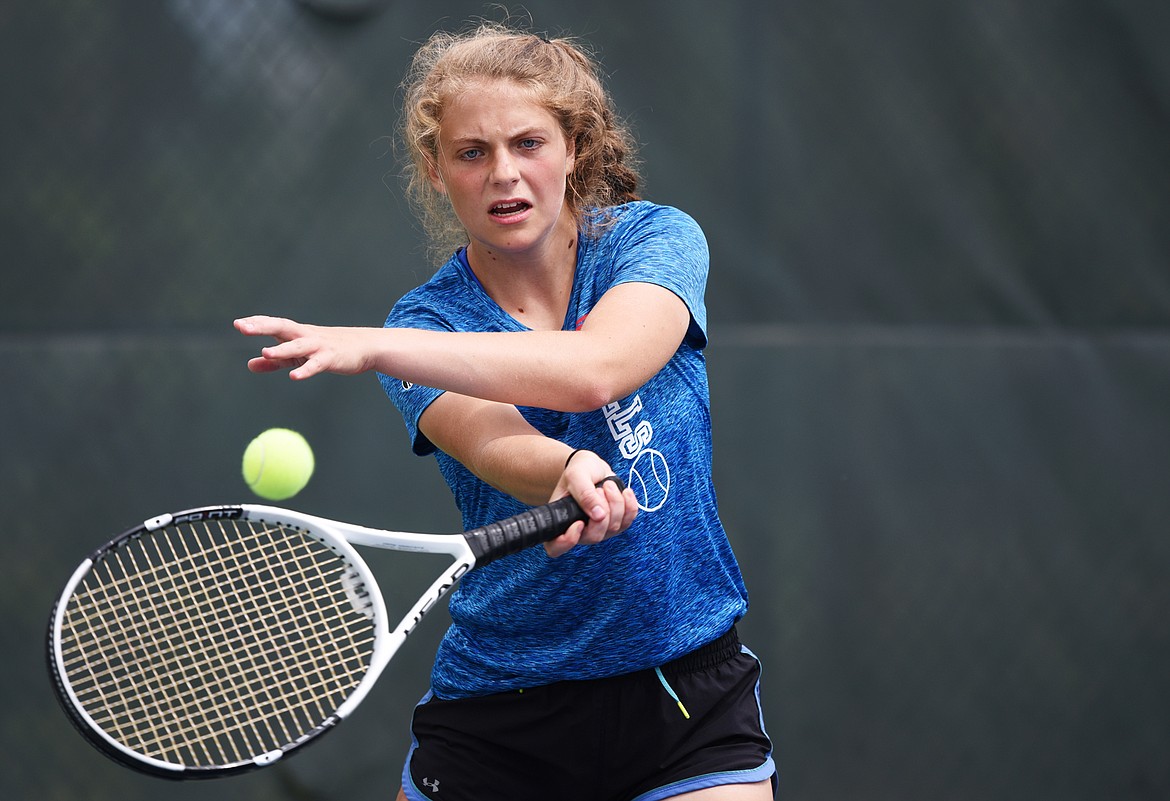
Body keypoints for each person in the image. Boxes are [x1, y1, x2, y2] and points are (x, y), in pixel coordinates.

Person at [235, 20, 775, 801]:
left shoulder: (653, 241)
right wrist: (565, 468)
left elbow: (599, 370)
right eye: (472, 152)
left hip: (684, 693)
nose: (503, 174)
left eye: (528, 143)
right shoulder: (425, 326)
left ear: (575, 151)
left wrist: (376, 347)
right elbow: (494, 444)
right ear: (436, 169)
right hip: (500, 714)